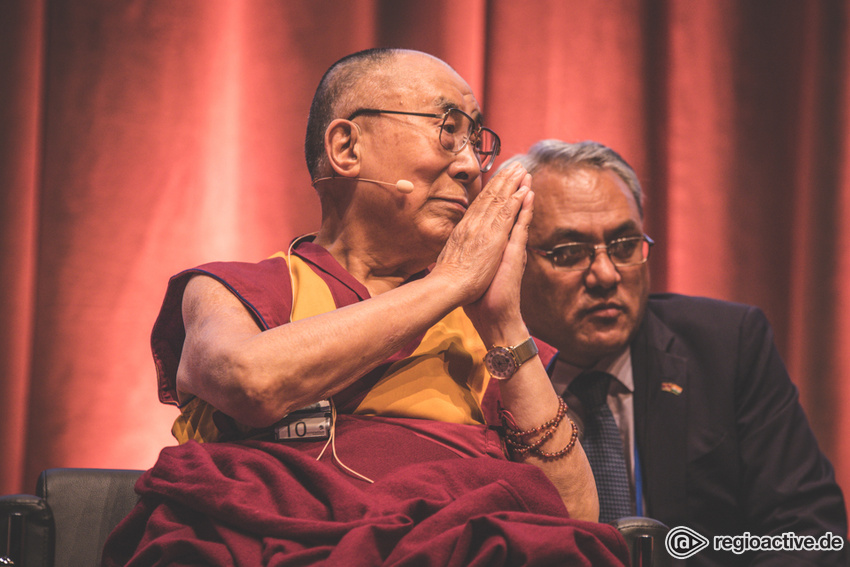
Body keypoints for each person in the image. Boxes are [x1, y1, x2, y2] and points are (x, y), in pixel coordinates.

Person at [101, 51, 630, 566]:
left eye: (474, 141)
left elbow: (575, 518)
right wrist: (448, 283)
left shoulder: (486, 330)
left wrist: (504, 323)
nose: (471, 165)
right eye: (448, 128)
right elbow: (249, 383)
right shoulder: (240, 288)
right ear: (346, 147)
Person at [500, 139, 848, 566]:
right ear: (513, 260)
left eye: (625, 245)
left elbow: (813, 534)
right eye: (570, 253)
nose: (607, 275)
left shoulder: (727, 345)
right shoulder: (486, 373)